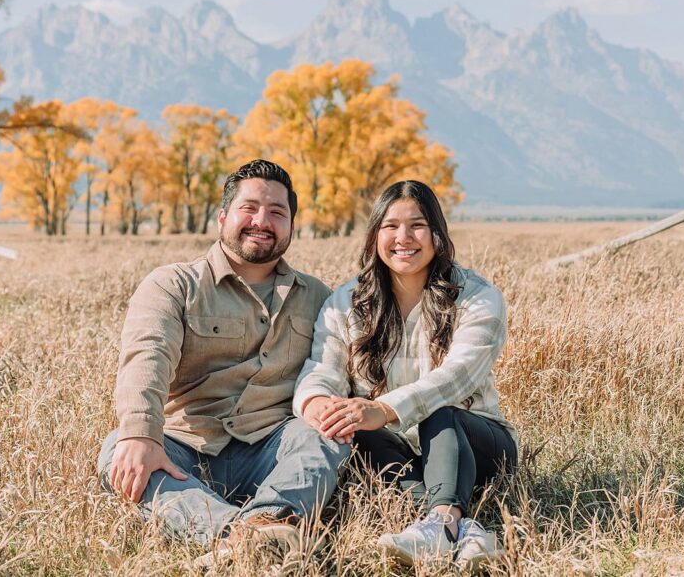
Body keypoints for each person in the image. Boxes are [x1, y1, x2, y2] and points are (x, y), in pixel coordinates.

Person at [97, 159, 349, 565]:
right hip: (186, 448)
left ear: (290, 226)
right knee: (117, 449)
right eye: (249, 208)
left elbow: (343, 369)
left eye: (276, 213)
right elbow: (149, 355)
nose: (261, 221)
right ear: (222, 218)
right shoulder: (174, 284)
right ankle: (245, 535)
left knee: (328, 433)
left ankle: (262, 520)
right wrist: (141, 434)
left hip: (273, 449)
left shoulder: (318, 296)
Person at [293, 180, 518, 570]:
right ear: (375, 235)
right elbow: (321, 370)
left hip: (476, 444)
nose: (403, 238)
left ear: (437, 233)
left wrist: (382, 408)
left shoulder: (478, 296)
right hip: (395, 450)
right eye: (391, 226)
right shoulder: (346, 303)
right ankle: (462, 530)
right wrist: (318, 405)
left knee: (438, 409)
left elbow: (456, 378)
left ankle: (442, 522)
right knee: (350, 430)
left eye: (416, 225)